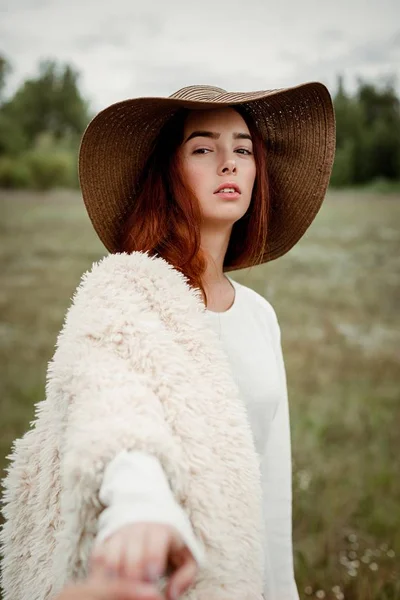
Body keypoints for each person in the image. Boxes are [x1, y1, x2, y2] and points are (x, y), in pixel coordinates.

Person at [0, 83, 335, 600]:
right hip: (145, 577)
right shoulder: (126, 288)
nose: (229, 163)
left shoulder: (260, 317)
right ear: (169, 172)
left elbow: (270, 487)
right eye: (203, 148)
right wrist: (139, 508)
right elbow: (113, 410)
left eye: (243, 149)